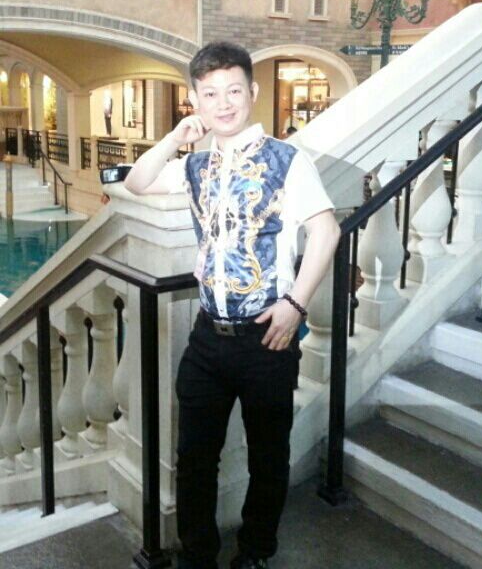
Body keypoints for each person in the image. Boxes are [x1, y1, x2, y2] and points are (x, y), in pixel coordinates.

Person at [123, 41, 340, 569]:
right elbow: (136, 182)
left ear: (252, 92)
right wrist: (175, 138)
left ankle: (256, 553)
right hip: (208, 337)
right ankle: (199, 557)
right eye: (210, 93)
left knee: (268, 456)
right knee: (194, 458)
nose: (223, 103)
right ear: (196, 100)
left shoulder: (287, 160)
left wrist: (295, 304)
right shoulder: (196, 165)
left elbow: (326, 231)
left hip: (268, 336)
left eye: (233, 91)